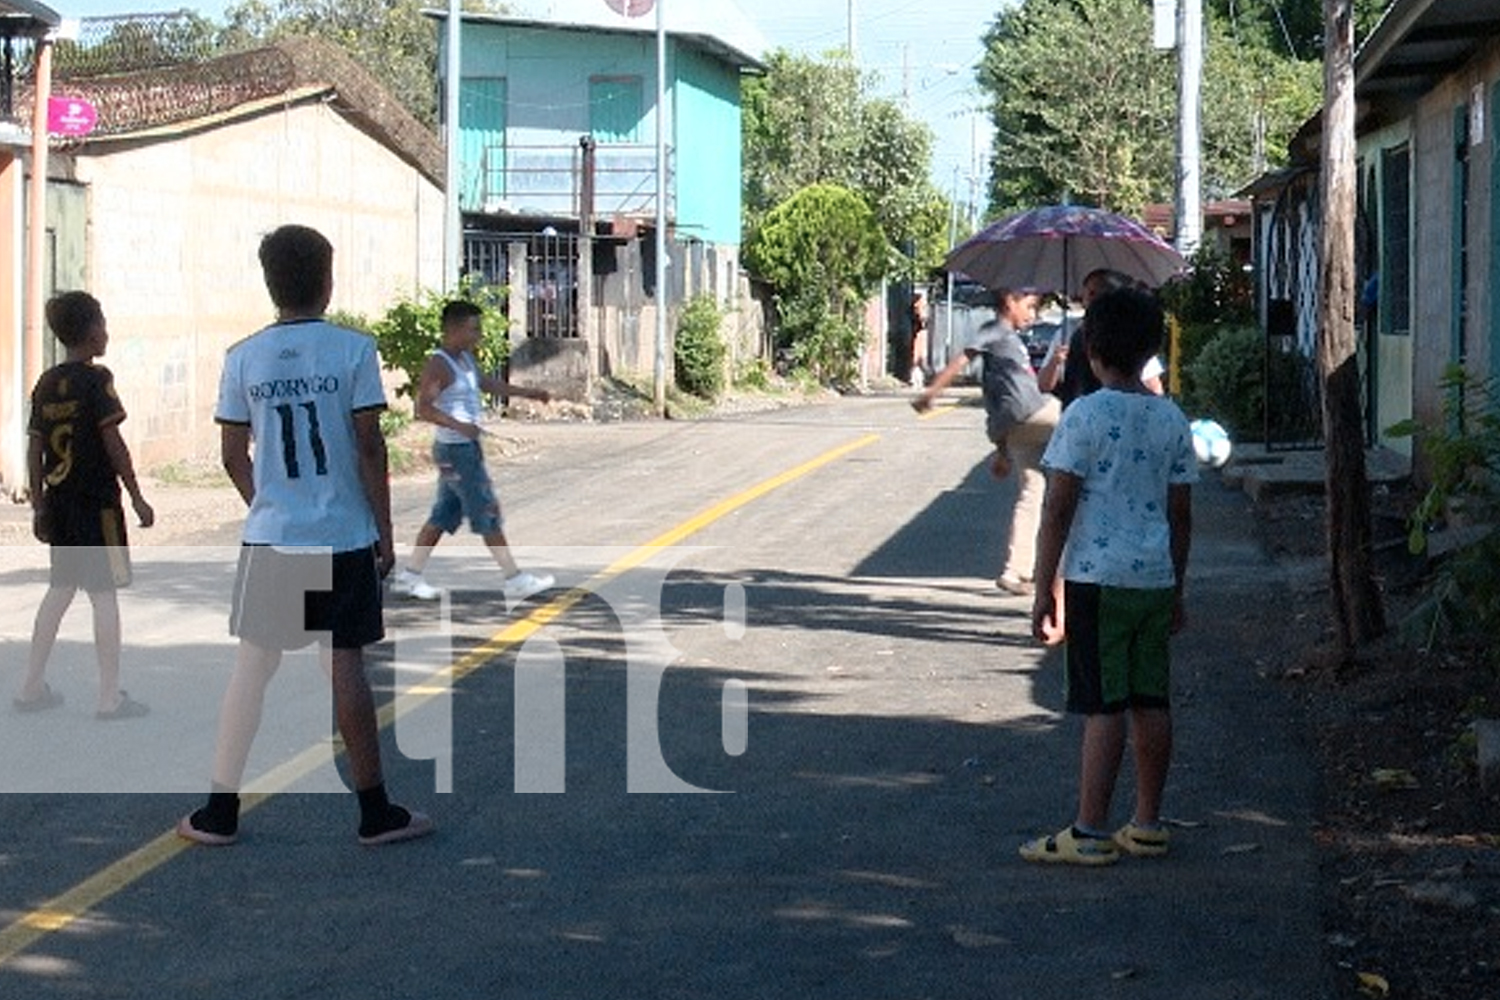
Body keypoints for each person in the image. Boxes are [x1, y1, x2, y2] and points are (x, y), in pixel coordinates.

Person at [178, 224, 432, 847]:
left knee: (252, 669)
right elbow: (370, 444)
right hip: (342, 532)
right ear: (328, 280)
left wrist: (267, 503)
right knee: (346, 664)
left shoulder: (244, 357)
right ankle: (374, 810)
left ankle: (220, 809)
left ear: (270, 283)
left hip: (273, 536)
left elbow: (233, 454)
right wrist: (384, 531)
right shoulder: (352, 350)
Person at [1021, 286, 1196, 866]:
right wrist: (1178, 586)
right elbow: (1181, 512)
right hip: (1153, 579)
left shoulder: (1083, 416)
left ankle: (1089, 829)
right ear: (1151, 350)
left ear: (1089, 348)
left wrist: (1045, 585)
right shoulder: (1171, 418)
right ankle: (1147, 821)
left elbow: (1057, 508)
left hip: (1097, 579)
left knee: (1103, 704)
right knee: (1151, 698)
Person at [14, 291, 154, 720]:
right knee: (104, 594)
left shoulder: (46, 385)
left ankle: (31, 686)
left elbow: (35, 451)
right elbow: (113, 443)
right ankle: (109, 697)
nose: (107, 332)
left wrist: (38, 505)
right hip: (98, 506)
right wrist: (136, 495)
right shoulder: (98, 381)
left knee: (59, 591)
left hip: (59, 505)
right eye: (104, 323)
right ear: (92, 330)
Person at [389, 300, 555, 603]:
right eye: (473, 328)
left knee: (443, 514)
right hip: (456, 450)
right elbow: (423, 408)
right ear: (454, 329)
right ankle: (514, 578)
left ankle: (410, 576)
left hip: (464, 448)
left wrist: (527, 393)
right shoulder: (438, 363)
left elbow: (486, 384)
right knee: (486, 510)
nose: (478, 334)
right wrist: (458, 424)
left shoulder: (463, 359)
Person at [912, 287, 1061, 596]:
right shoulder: (994, 330)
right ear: (1010, 302)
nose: (1032, 315)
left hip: (1012, 425)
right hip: (1034, 411)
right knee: (1083, 421)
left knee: (1033, 490)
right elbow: (961, 360)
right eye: (1029, 307)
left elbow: (999, 396)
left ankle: (1015, 571)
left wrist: (1003, 450)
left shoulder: (1012, 341)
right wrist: (933, 391)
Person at [1037, 268, 1169, 404]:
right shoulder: (1068, 332)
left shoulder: (1129, 333)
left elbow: (1154, 386)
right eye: (1088, 294)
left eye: (1098, 293)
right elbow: (1043, 385)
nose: (1091, 299)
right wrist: (1056, 361)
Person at [909, 290, 930, 388]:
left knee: (919, 356)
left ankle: (917, 379)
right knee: (917, 356)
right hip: (917, 334)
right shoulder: (917, 309)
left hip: (919, 334)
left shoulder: (918, 309)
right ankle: (916, 379)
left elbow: (923, 320)